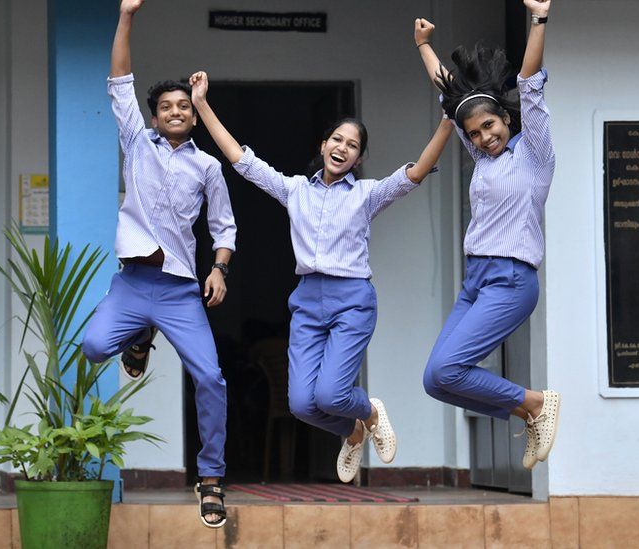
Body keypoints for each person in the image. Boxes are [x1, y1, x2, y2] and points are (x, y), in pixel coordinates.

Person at [190, 70, 453, 484]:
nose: (342, 148)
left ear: (358, 158)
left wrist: (449, 119)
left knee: (331, 394)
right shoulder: (295, 190)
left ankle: (368, 411)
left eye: (352, 145)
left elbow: (416, 172)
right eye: (337, 140)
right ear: (323, 144)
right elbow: (242, 161)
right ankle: (352, 432)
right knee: (300, 404)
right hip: (308, 300)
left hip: (352, 299)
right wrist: (202, 104)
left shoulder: (367, 195)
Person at [79, 0, 237, 528]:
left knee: (210, 379)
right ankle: (138, 337)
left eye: (183, 107)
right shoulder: (135, 143)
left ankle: (210, 477)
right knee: (96, 345)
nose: (174, 112)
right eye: (166, 106)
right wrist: (126, 15)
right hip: (133, 283)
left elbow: (224, 227)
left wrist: (219, 268)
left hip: (180, 290)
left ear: (193, 115)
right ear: (153, 116)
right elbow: (120, 78)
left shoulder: (208, 166)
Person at [414, 0, 560, 471]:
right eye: (474, 133)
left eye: (489, 127)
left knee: (449, 369)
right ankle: (529, 410)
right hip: (475, 282)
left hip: (512, 280)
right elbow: (451, 97)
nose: (482, 138)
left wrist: (538, 20)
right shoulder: (481, 159)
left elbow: (529, 84)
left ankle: (536, 402)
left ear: (508, 120)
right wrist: (424, 46)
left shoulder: (534, 158)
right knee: (436, 381)